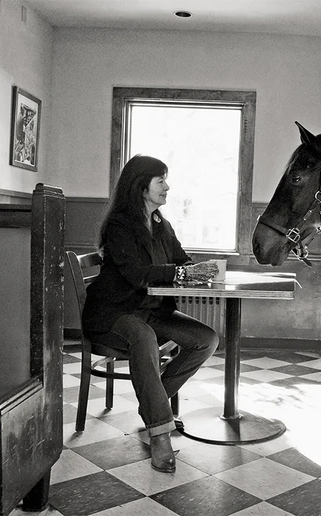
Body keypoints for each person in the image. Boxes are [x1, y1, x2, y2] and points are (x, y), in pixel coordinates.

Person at [82, 155, 219, 473]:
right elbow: (136, 273)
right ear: (141, 186)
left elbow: (181, 260)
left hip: (152, 311)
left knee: (206, 339)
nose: (167, 187)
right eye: (161, 180)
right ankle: (160, 433)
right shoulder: (119, 225)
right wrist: (182, 274)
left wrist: (199, 269)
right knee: (143, 338)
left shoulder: (161, 224)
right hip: (114, 313)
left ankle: (154, 405)